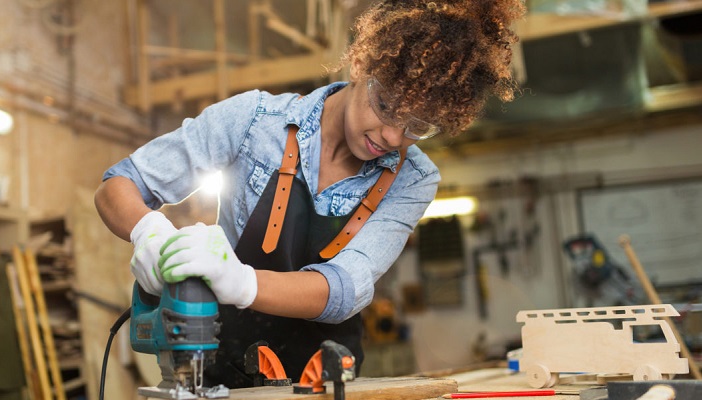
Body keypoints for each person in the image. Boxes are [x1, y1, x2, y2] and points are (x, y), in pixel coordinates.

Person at [94, 0, 525, 388]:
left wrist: (241, 282)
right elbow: (121, 183)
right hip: (222, 369)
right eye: (387, 107)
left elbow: (344, 288)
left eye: (420, 126)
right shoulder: (254, 121)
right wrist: (149, 233)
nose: (393, 135)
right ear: (360, 64)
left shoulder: (413, 179)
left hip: (326, 377)